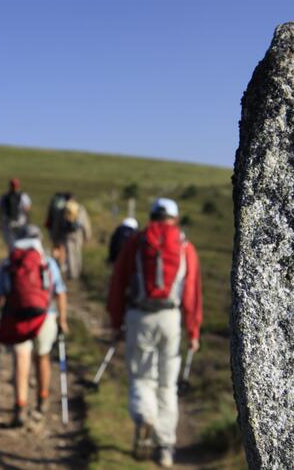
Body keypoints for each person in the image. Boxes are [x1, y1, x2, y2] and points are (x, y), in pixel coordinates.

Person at [107, 198, 202, 468]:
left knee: (141, 376)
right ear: (175, 218)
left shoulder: (136, 242)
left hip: (139, 316)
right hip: (171, 318)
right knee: (167, 385)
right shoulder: (185, 246)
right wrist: (193, 330)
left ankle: (144, 417)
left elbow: (118, 283)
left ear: (152, 215)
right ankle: (165, 446)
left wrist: (116, 323)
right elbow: (192, 292)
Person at [0, 225, 68, 427]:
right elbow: (59, 292)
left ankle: (20, 407)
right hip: (45, 315)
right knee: (42, 357)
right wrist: (62, 320)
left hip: (17, 317)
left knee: (21, 359)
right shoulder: (46, 262)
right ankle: (42, 400)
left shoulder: (9, 263)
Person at [59, 194, 92, 280]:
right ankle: (78, 272)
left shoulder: (64, 209)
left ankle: (72, 274)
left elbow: (60, 223)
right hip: (78, 234)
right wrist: (87, 235)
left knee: (70, 254)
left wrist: (58, 235)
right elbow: (85, 223)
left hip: (67, 234)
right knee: (77, 252)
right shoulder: (80, 208)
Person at [0, 178, 31, 247]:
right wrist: (28, 222)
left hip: (8, 223)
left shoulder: (4, 196)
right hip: (21, 222)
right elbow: (27, 209)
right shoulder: (23, 196)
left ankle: (13, 256)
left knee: (10, 243)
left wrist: (0, 222)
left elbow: (0, 211)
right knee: (21, 242)